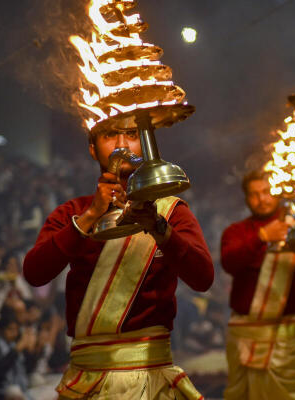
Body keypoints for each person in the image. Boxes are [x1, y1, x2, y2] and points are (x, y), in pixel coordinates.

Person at [23, 127, 214, 400]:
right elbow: (34, 273)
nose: (122, 144)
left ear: (146, 144)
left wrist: (160, 229)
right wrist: (91, 216)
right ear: (92, 148)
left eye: (132, 134)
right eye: (110, 134)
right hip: (85, 381)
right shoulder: (72, 212)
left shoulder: (171, 211)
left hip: (152, 377)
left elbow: (203, 278)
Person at [220, 170, 295, 400]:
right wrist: (261, 236)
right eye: (254, 194)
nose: (262, 199)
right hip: (245, 337)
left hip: (285, 338)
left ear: (278, 192)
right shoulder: (237, 231)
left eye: (267, 192)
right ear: (247, 199)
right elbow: (229, 261)